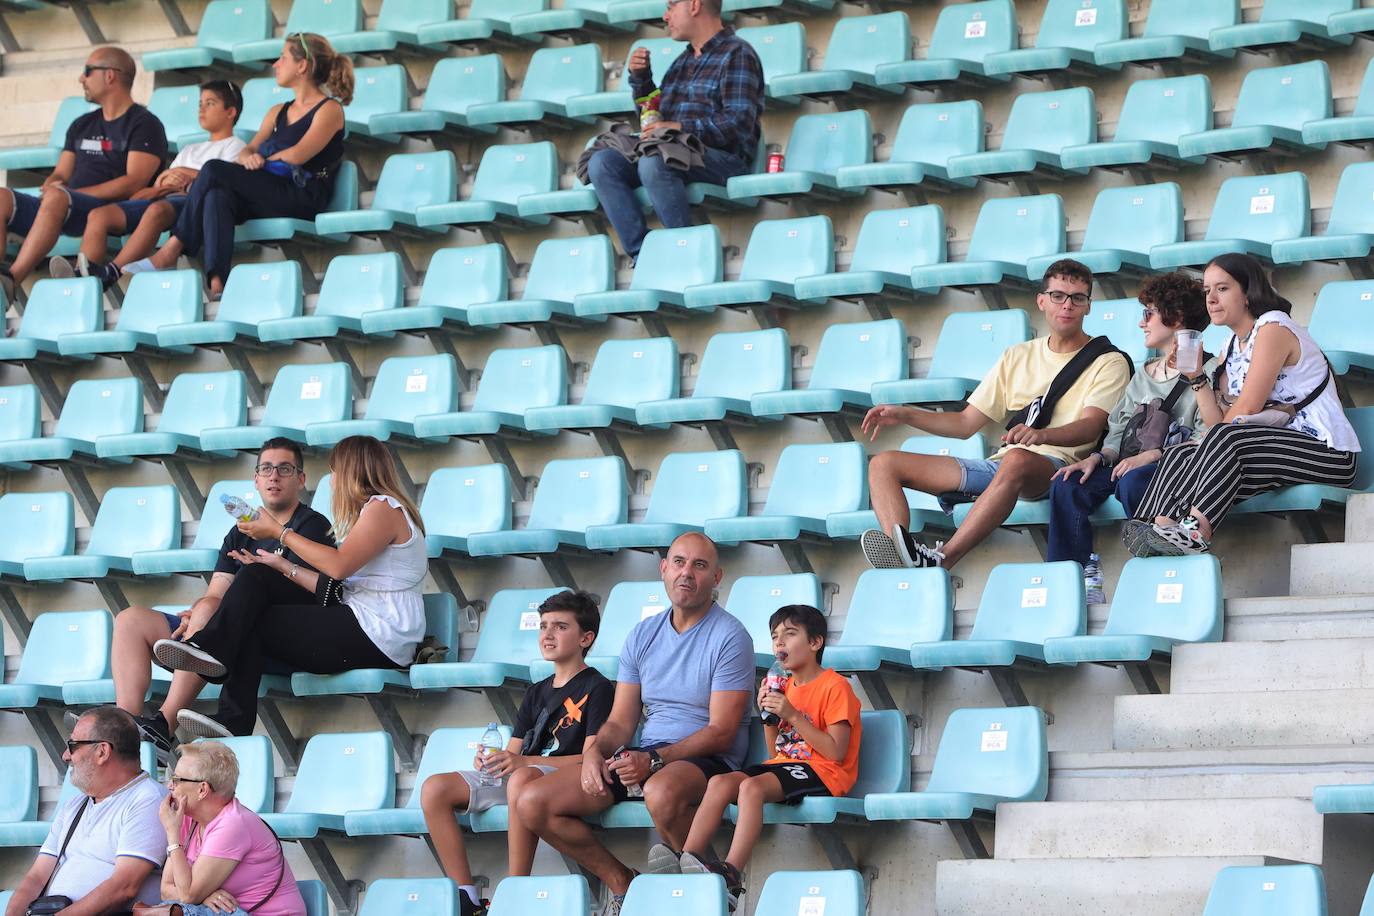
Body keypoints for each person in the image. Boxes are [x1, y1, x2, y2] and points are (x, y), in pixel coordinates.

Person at [517, 533, 754, 916]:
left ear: (717, 577)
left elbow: (722, 730)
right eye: (678, 562)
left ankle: (710, 891)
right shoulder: (642, 635)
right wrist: (595, 753)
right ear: (663, 570)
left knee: (659, 791)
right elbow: (621, 721)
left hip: (709, 756)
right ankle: (623, 881)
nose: (686, 573)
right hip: (648, 755)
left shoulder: (730, 636)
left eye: (699, 565)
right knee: (533, 802)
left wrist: (655, 760)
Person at [860, 259, 1134, 571]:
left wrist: (1041, 436)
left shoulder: (1109, 361)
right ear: (1041, 301)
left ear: (1088, 306)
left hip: (1058, 469)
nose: (1067, 305)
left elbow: (1091, 427)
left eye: (1078, 298)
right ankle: (902, 555)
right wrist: (907, 414)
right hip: (1002, 467)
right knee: (883, 464)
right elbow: (965, 423)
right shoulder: (1017, 355)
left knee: (1017, 458)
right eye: (1058, 296)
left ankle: (940, 560)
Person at [153, 434, 427, 739]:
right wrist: (283, 566)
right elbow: (334, 587)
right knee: (256, 585)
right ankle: (231, 714)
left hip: (381, 633)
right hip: (365, 625)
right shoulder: (373, 513)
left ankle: (213, 654)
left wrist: (278, 532)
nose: (332, 480)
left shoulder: (382, 508)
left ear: (351, 471)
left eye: (335, 471)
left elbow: (338, 566)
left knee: (254, 609)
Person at [98, 437, 332, 759]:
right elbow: (216, 592)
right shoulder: (240, 531)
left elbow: (309, 595)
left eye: (284, 469)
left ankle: (163, 724)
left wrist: (209, 609)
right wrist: (195, 613)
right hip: (217, 631)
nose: (274, 476)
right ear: (256, 479)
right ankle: (123, 728)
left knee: (210, 609)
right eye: (266, 469)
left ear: (301, 479)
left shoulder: (311, 527)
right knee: (131, 620)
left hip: (267, 640)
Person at [1124, 253, 1362, 556]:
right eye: (1207, 290)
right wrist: (1196, 377)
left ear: (1248, 293)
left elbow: (1246, 410)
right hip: (1267, 449)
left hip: (1325, 453)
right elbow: (1216, 423)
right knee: (1180, 452)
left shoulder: (1273, 328)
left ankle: (1195, 530)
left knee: (1220, 438)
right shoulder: (1230, 348)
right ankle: (1156, 528)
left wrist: (1211, 441)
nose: (1211, 299)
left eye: (1222, 289)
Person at [421, 590, 615, 916]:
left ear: (586, 637)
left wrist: (523, 762)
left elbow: (590, 757)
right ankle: (466, 895)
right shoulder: (536, 690)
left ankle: (515, 890)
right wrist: (493, 761)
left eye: (560, 626)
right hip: (525, 776)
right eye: (543, 626)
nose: (548, 634)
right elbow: (514, 751)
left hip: (561, 778)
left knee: (522, 777)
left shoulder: (598, 687)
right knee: (434, 788)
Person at [121, 32, 351, 299]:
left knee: (214, 169)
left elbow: (297, 155)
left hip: (301, 195)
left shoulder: (329, 109)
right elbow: (248, 149)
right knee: (218, 196)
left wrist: (259, 161)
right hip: (269, 190)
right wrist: (248, 157)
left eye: (283, 58)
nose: (276, 64)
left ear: (302, 66)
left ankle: (171, 249)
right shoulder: (277, 111)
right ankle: (217, 283)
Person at [678, 604, 861, 907]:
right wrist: (768, 717)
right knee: (721, 782)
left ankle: (732, 875)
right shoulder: (783, 686)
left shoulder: (835, 686)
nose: (780, 642)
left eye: (790, 635)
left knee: (750, 787)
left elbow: (836, 752)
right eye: (775, 636)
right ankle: (690, 858)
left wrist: (793, 714)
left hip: (826, 771)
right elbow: (775, 751)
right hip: (787, 766)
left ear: (815, 643)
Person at [1047, 273, 1215, 589]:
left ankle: (1158, 573)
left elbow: (1207, 437)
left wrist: (1154, 454)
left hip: (1171, 469)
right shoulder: (1144, 373)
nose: (1142, 323)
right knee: (1069, 484)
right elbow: (1118, 427)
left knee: (1134, 481)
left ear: (1176, 318)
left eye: (1148, 313)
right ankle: (1073, 582)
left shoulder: (1210, 370)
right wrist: (1100, 457)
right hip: (1126, 464)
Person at [587, 0, 763, 259]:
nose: (665, 15)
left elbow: (738, 125)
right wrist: (642, 80)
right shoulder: (682, 62)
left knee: (655, 160)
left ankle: (684, 255)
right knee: (602, 162)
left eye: (671, 6)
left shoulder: (738, 53)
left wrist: (680, 128)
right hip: (674, 152)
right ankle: (643, 255)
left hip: (724, 159)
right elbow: (655, 120)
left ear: (694, 5)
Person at [0, 46, 166, 301]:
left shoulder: (145, 123)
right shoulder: (81, 124)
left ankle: (10, 282)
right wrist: (53, 183)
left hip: (106, 210)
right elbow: (61, 173)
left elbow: (134, 182)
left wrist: (68, 194)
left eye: (88, 71)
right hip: (64, 206)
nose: (81, 78)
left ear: (110, 75)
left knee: (57, 198)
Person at [53, 81, 247, 288]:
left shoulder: (236, 147)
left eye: (210, 103)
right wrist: (173, 181)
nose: (201, 109)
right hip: (166, 197)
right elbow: (158, 186)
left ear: (231, 112)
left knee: (156, 210)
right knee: (99, 215)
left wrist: (178, 174)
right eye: (200, 103)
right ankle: (82, 277)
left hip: (191, 206)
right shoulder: (190, 149)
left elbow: (220, 179)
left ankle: (111, 272)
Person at [4, 708, 167, 916]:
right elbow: (36, 877)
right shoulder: (75, 805)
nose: (65, 756)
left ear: (102, 752)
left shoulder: (148, 799)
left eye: (72, 746)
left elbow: (123, 888)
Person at [156, 740, 304, 916]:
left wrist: (173, 836)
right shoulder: (186, 818)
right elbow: (166, 890)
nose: (169, 786)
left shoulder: (232, 825)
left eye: (177, 780)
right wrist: (202, 897)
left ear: (202, 789)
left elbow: (187, 895)